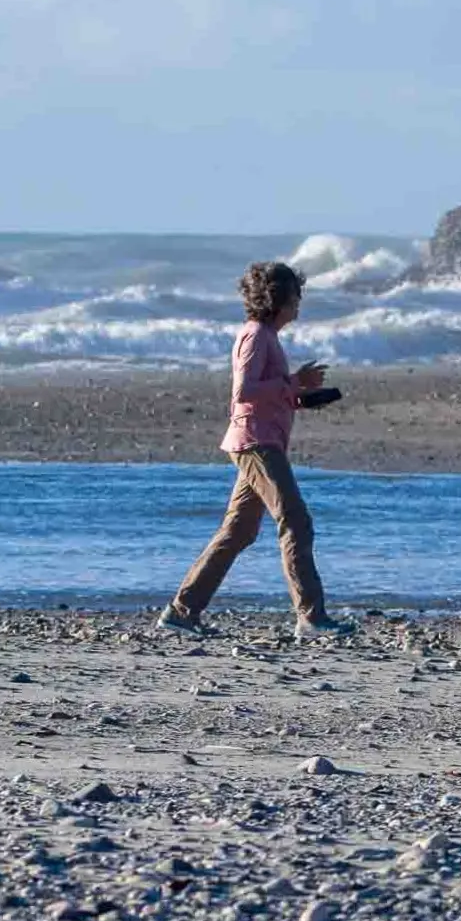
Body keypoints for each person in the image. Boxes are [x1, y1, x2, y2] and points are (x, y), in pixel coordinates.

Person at [156, 260, 352, 641]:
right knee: (295, 520)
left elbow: (267, 393)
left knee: (239, 531)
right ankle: (311, 617)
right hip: (255, 443)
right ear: (277, 299)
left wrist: (301, 395)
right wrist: (294, 381)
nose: (299, 304)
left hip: (261, 440)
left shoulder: (267, 337)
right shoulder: (256, 335)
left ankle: (182, 613)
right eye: (295, 296)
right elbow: (243, 392)